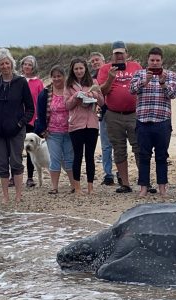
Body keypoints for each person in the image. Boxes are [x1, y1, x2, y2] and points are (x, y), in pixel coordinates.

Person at [0, 48, 35, 204]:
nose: (5, 66)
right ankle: (5, 196)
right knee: (1, 165)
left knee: (16, 162)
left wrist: (20, 123)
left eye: (7, 63)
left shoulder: (21, 82)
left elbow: (30, 108)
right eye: (2, 64)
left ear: (11, 64)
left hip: (16, 130)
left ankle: (18, 196)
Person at [129, 47, 176, 197]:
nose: (155, 63)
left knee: (162, 156)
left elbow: (174, 94)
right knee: (143, 155)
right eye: (152, 60)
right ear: (148, 60)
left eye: (158, 60)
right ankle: (143, 187)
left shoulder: (170, 75)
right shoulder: (139, 74)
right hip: (143, 120)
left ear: (162, 61)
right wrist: (145, 81)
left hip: (162, 120)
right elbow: (131, 90)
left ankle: (162, 187)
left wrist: (163, 84)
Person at [97, 41, 143, 193]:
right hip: (113, 114)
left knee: (139, 147)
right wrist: (111, 78)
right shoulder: (105, 69)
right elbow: (101, 92)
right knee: (119, 149)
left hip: (134, 113)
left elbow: (143, 86)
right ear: (112, 55)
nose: (119, 56)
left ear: (126, 53)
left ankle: (144, 182)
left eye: (121, 53)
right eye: (116, 53)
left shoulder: (135, 66)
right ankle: (125, 183)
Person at [35, 65, 78, 194]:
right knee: (55, 159)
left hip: (70, 131)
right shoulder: (45, 93)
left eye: (59, 76)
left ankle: (74, 186)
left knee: (70, 159)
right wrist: (42, 130)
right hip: (52, 132)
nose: (56, 79)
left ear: (64, 77)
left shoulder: (71, 90)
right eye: (54, 77)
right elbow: (40, 113)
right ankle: (54, 187)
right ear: (51, 78)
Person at [65, 57, 105, 195]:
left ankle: (90, 187)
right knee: (77, 155)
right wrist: (77, 95)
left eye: (81, 68)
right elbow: (67, 105)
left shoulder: (93, 82)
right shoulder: (69, 85)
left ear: (85, 69)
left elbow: (101, 101)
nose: (79, 71)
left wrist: (93, 93)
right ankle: (77, 187)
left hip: (92, 124)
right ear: (72, 70)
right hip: (76, 124)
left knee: (90, 155)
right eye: (76, 68)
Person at [89, 51, 116, 186]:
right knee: (106, 146)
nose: (95, 62)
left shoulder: (112, 72)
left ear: (103, 60)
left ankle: (121, 174)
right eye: (92, 61)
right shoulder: (91, 78)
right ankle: (108, 174)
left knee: (119, 145)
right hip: (103, 114)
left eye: (97, 60)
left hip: (116, 112)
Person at [20, 55, 44, 186]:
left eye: (30, 65)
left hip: (33, 119)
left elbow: (41, 102)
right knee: (17, 149)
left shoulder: (38, 82)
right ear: (22, 66)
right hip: (18, 119)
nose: (27, 67)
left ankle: (30, 177)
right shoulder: (17, 80)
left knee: (31, 149)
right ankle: (15, 177)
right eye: (25, 64)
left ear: (33, 67)